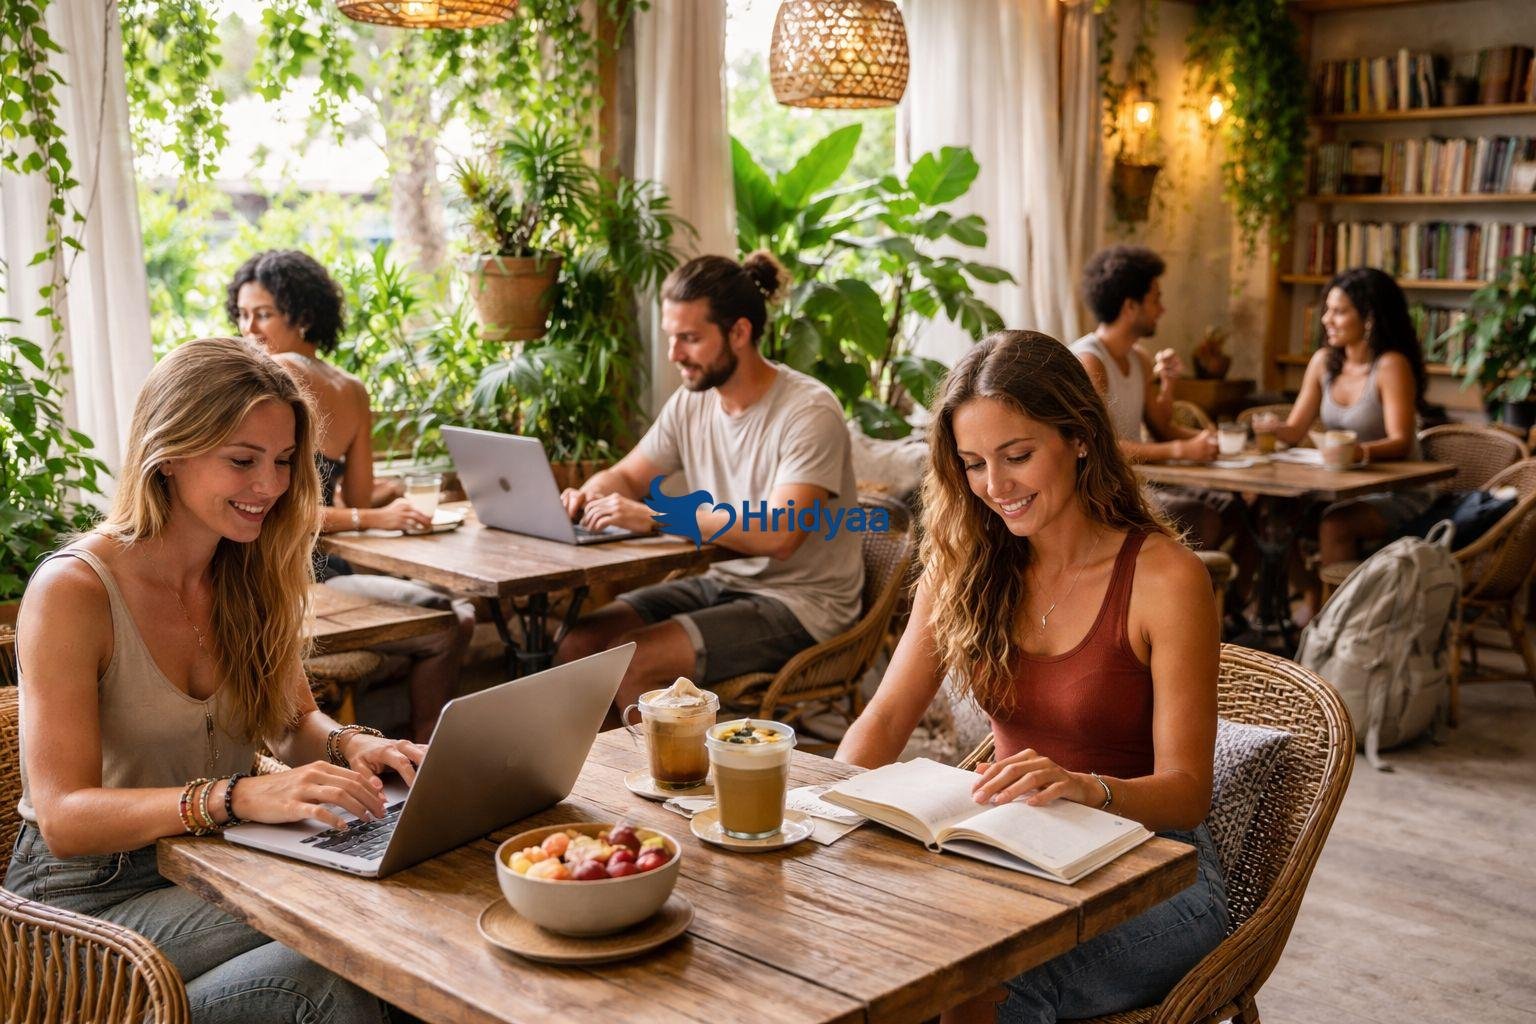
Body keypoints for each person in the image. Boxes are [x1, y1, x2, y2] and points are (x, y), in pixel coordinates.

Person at [7, 337, 421, 1023]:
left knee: (384, 914)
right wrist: (237, 797)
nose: (271, 486)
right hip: (79, 907)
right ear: (168, 453)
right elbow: (63, 817)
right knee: (338, 956)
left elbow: (292, 725)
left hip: (214, 861)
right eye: (242, 460)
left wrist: (354, 745)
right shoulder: (74, 591)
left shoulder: (249, 570)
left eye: (284, 461)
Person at [837, 331, 1228, 1024]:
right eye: (974, 464)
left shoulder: (1166, 578)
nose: (996, 487)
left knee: (977, 978)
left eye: (1017, 456)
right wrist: (827, 814)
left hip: (1157, 874)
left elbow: (1188, 793)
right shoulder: (964, 563)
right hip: (1015, 854)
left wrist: (1084, 787)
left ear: (1079, 438)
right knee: (867, 940)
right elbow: (887, 718)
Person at [555, 252, 864, 711]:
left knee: (633, 661)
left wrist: (657, 516)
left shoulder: (808, 411)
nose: (674, 354)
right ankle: (594, 762)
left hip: (802, 603)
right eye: (672, 337)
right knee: (577, 644)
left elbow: (780, 534)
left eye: (690, 338)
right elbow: (626, 475)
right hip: (722, 581)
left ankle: (648, 760)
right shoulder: (692, 402)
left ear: (739, 333)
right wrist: (592, 494)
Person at [229, 250, 475, 742]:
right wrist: (378, 513)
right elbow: (349, 501)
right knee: (454, 618)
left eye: (263, 314)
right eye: (242, 314)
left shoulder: (274, 378)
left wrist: (390, 503)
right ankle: (427, 745)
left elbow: (315, 504)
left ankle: (417, 747)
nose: (248, 329)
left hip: (301, 568)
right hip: (299, 569)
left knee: (452, 614)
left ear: (303, 316)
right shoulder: (353, 389)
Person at [1260, 267, 1432, 571]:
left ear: (1369, 318)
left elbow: (1402, 442)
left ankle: (1337, 604)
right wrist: (1272, 428)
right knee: (1274, 512)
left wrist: (1356, 453)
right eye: (1327, 310)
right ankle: (1309, 595)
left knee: (1336, 524)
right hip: (1341, 487)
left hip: (1396, 492)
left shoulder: (1391, 366)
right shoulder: (1323, 362)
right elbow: (1294, 431)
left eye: (1338, 312)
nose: (1326, 319)